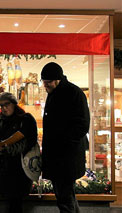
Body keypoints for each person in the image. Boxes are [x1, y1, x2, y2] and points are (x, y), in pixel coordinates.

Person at [40, 62, 90, 213]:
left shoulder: (74, 93)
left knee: (64, 198)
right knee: (66, 196)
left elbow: (82, 124)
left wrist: (64, 142)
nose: (45, 86)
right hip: (59, 157)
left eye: (47, 82)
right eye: (44, 82)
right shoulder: (54, 93)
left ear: (57, 79)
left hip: (66, 157)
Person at [0, 92, 38, 213]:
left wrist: (9, 149)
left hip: (20, 167)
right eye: (1, 105)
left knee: (17, 202)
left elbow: (30, 142)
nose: (4, 108)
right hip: (4, 167)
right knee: (8, 201)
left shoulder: (26, 119)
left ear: (14, 104)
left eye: (7, 104)